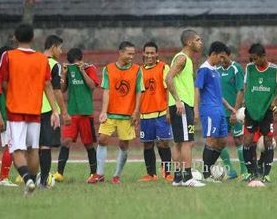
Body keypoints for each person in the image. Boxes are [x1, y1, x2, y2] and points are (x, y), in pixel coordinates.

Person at [0, 24, 60, 196]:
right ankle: (31, 186)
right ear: (33, 38)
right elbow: (47, 85)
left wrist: (10, 95)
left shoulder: (8, 56)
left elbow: (2, 82)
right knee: (33, 149)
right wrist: (54, 110)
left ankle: (28, 179)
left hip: (15, 110)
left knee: (17, 149)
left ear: (15, 38)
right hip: (35, 110)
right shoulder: (41, 59)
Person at [88, 41, 143, 184]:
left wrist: (136, 111)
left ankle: (116, 175)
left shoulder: (137, 70)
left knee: (124, 145)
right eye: (129, 53)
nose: (132, 56)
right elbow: (106, 91)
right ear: (120, 53)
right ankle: (99, 174)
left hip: (127, 115)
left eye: (133, 54)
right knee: (102, 139)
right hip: (111, 113)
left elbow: (139, 92)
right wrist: (104, 112)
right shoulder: (108, 69)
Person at [241, 43, 277, 183]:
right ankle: (251, 173)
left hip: (266, 111)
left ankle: (266, 175)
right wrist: (245, 101)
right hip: (251, 110)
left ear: (263, 56)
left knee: (268, 141)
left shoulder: (275, 70)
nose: (253, 61)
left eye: (255, 58)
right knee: (248, 141)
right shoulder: (249, 68)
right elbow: (246, 85)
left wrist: (275, 101)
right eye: (251, 59)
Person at [166, 29, 205, 187]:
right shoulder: (182, 58)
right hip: (181, 106)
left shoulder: (187, 60)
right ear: (189, 42)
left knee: (179, 143)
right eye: (197, 39)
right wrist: (178, 101)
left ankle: (177, 178)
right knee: (187, 142)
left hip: (182, 105)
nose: (200, 42)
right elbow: (168, 77)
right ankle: (188, 177)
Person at [57, 47, 99, 182]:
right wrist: (64, 74)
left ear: (81, 60)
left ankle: (93, 174)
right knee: (66, 141)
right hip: (72, 113)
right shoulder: (68, 70)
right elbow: (62, 90)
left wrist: (82, 70)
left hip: (86, 113)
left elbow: (92, 86)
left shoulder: (90, 68)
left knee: (89, 144)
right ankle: (59, 174)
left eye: (77, 62)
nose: (75, 64)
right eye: (73, 63)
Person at [195, 41, 234, 181]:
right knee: (211, 140)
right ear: (213, 54)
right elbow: (197, 88)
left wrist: (228, 105)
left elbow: (217, 93)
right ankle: (206, 174)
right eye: (221, 57)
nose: (222, 60)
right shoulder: (204, 69)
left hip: (220, 110)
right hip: (209, 110)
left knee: (222, 141)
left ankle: (208, 170)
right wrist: (196, 109)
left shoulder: (215, 71)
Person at [138, 42, 173, 182]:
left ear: (157, 54)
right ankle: (151, 174)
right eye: (147, 53)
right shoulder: (139, 71)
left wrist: (169, 110)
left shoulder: (164, 67)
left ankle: (167, 173)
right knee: (147, 144)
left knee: (163, 143)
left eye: (152, 53)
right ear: (143, 53)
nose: (149, 55)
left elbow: (169, 89)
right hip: (145, 114)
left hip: (161, 113)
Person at [38, 35, 69, 188]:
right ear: (53, 47)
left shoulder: (35, 60)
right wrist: (63, 112)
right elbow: (56, 90)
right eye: (60, 48)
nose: (61, 51)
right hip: (47, 109)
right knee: (45, 146)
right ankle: (44, 180)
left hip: (30, 108)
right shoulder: (53, 64)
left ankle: (31, 178)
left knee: (33, 146)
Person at [0, 46, 18, 187]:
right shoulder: (1, 76)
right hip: (8, 117)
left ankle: (19, 176)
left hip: (14, 115)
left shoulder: (11, 74)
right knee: (11, 146)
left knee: (16, 147)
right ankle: (2, 178)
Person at [217, 45, 246, 179]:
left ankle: (245, 171)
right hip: (220, 112)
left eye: (224, 56)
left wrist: (235, 112)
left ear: (229, 55)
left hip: (234, 111)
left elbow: (241, 90)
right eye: (219, 56)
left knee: (238, 139)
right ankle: (230, 171)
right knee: (219, 141)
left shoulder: (236, 68)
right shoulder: (216, 69)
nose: (221, 59)